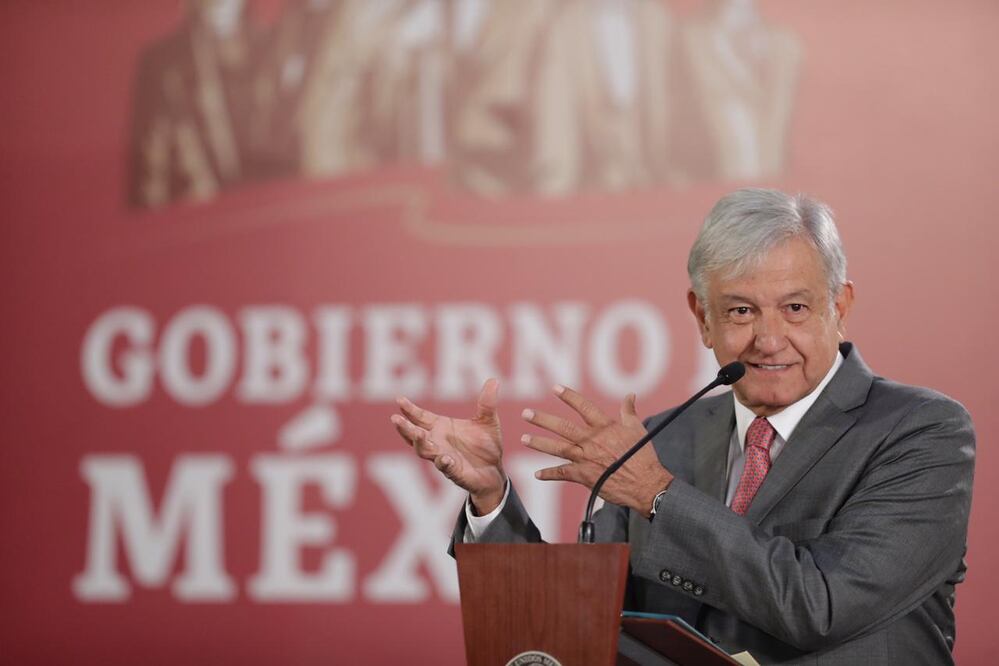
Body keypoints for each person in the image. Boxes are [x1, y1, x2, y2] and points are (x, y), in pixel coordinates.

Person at [390, 188, 975, 664]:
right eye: (741, 311)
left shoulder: (921, 431)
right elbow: (580, 627)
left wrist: (658, 496)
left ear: (839, 307)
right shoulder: (660, 440)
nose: (769, 340)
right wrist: (492, 499)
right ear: (701, 317)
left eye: (795, 308)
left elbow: (821, 606)